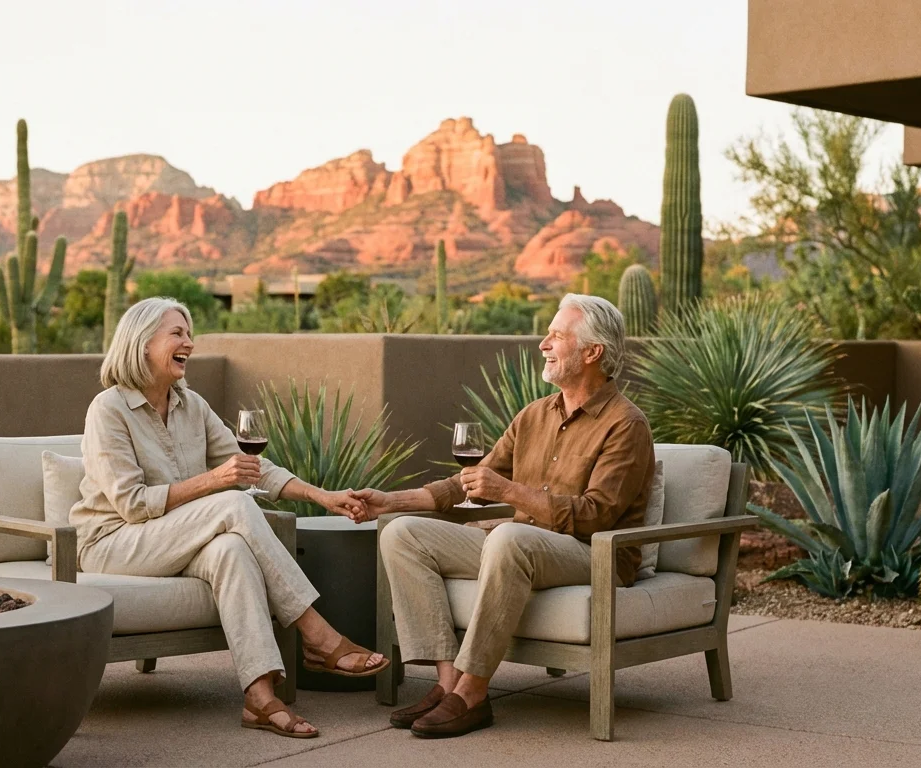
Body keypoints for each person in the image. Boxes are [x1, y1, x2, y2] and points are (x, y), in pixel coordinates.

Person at [71, 297, 389, 739]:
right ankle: (318, 636)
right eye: (177, 334)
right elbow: (132, 504)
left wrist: (323, 496)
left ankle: (260, 698)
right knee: (236, 504)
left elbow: (254, 468)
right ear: (142, 344)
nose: (190, 342)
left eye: (190, 333)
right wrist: (215, 480)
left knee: (232, 549)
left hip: (177, 538)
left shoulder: (191, 405)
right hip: (114, 543)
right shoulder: (108, 410)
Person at [351, 294, 655, 738]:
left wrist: (510, 493)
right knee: (403, 535)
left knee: (510, 537)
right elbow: (470, 482)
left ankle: (473, 691)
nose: (543, 345)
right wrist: (389, 501)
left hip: (595, 555)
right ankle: (449, 683)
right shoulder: (534, 415)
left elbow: (596, 516)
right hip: (520, 547)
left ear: (593, 353)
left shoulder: (626, 424)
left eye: (557, 336)